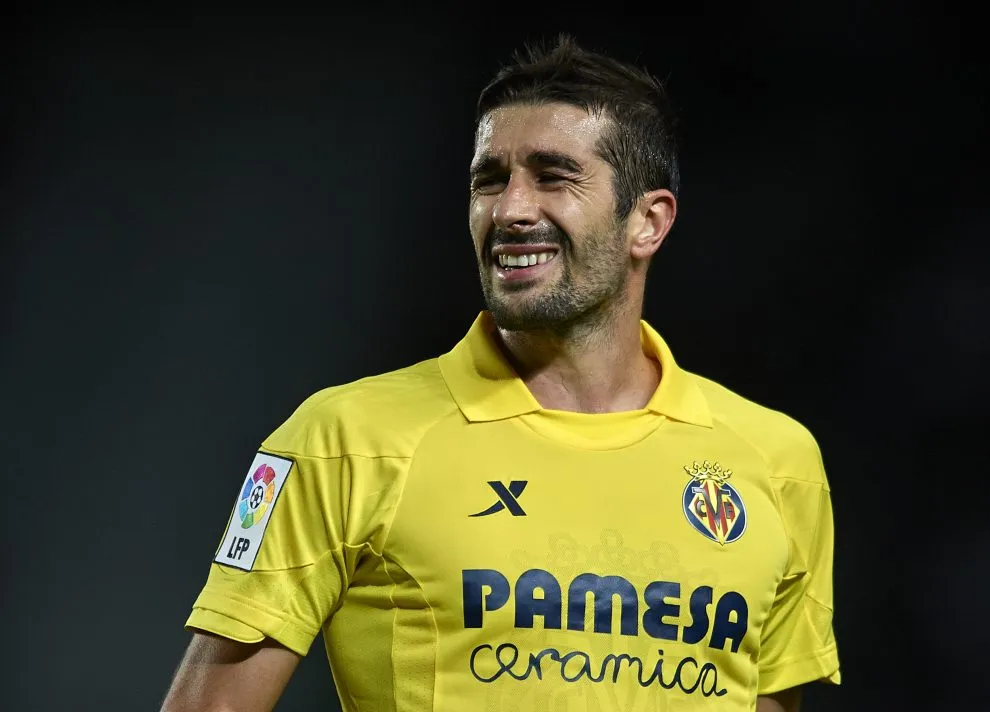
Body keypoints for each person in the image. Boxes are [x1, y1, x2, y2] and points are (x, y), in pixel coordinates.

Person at [161, 35, 840, 712]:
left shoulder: (777, 463)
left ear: (648, 222)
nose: (510, 210)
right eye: (489, 180)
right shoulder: (343, 440)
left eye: (553, 176)